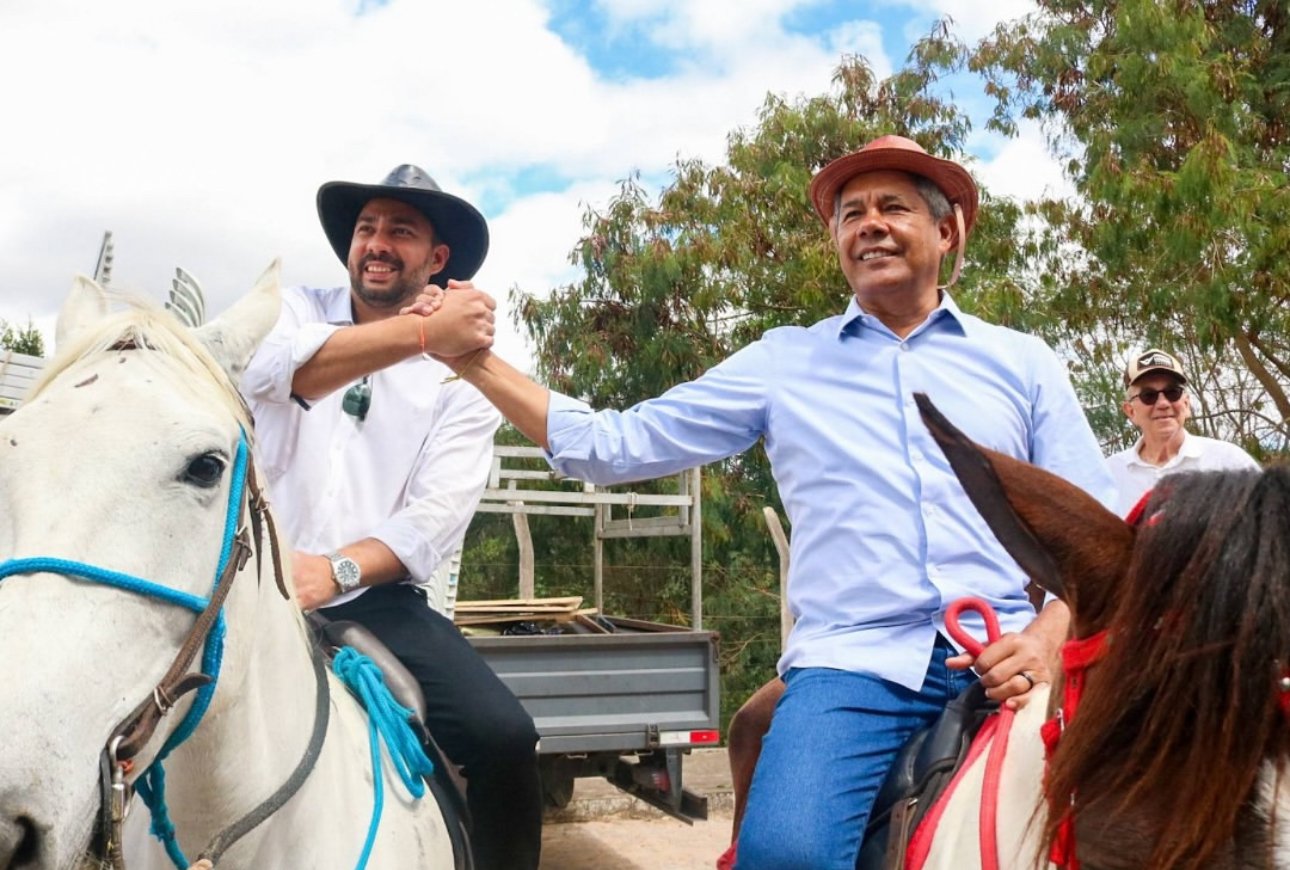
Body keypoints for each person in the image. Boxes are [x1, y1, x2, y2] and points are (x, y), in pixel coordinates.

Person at [415, 135, 1116, 868]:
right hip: (854, 667)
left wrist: (1047, 638)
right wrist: (474, 361)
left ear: (946, 231)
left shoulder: (1023, 363)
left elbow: (1097, 542)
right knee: (786, 855)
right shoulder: (785, 361)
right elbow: (611, 445)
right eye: (852, 214)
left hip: (1013, 655)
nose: (870, 225)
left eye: (893, 207)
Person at [239, 165, 542, 870]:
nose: (376, 243)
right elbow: (276, 373)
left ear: (437, 259)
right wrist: (424, 333)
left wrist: (332, 572)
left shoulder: (465, 376)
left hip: (373, 597)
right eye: (366, 228)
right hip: (244, 581)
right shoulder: (293, 311)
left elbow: (432, 520)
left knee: (505, 738)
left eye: (400, 231)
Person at [1105, 347, 1260, 516]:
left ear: (1186, 404)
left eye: (1173, 392)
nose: (1163, 403)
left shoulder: (1230, 462)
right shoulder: (1109, 475)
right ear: (1130, 411)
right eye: (1149, 395)